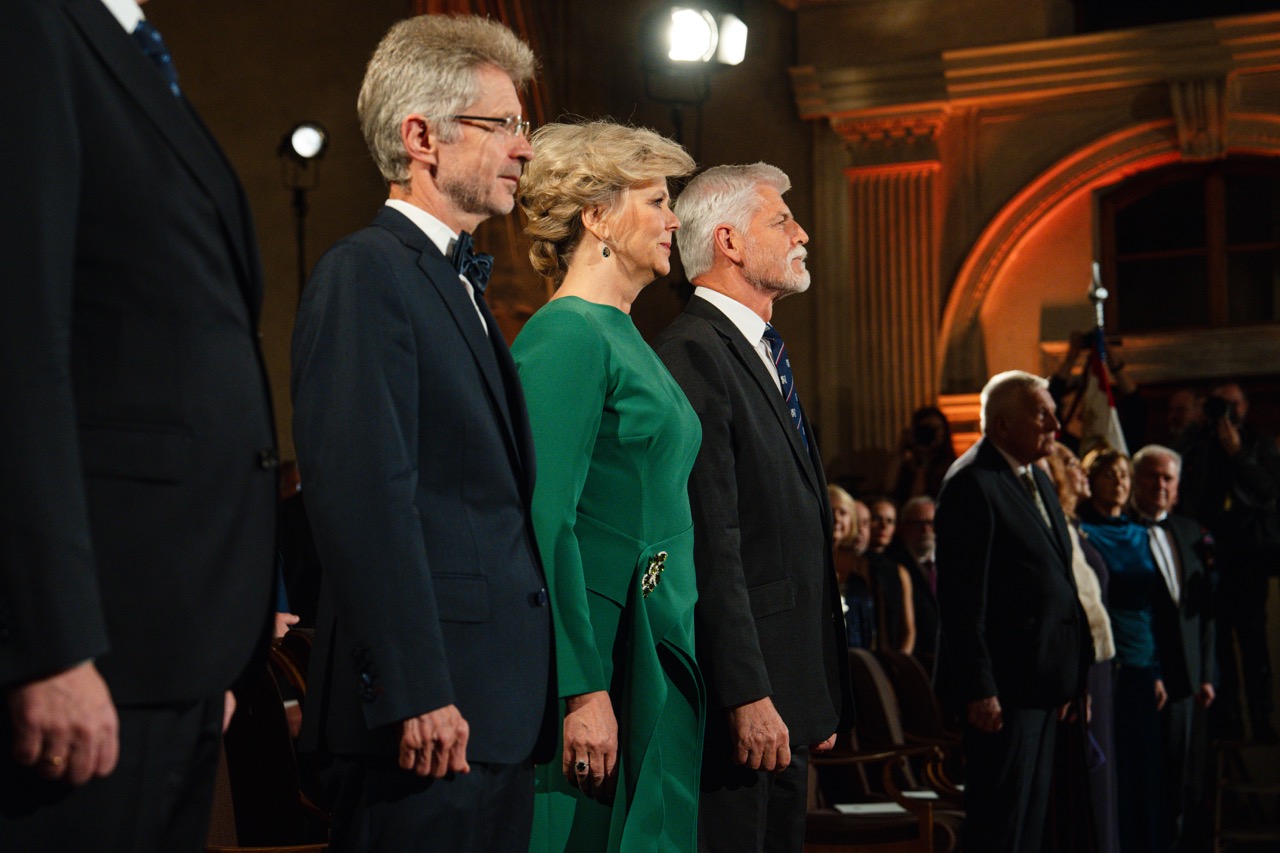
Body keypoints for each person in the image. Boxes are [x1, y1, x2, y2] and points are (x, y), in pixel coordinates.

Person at [0, 2, 277, 850]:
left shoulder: (124, 45)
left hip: (173, 649)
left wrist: (214, 659)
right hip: (93, 649)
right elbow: (18, 340)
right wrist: (47, 645)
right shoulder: (28, 25)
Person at [290, 16, 553, 852]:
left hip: (492, 710)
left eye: (526, 126)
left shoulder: (457, 284)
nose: (525, 148)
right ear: (421, 137)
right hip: (425, 713)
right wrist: (412, 686)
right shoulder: (365, 272)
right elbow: (365, 496)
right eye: (503, 124)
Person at [509, 120, 702, 852]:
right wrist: (580, 687)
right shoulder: (568, 335)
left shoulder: (623, 332)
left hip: (652, 641)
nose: (673, 219)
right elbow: (542, 518)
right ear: (597, 217)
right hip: (603, 657)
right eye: (655, 200)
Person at [654, 163, 852, 853]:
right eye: (782, 220)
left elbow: (788, 535)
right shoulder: (692, 354)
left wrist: (811, 688)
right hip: (746, 701)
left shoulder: (761, 347)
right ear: (730, 241)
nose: (802, 233)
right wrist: (748, 693)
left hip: (784, 690)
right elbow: (714, 540)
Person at [934, 370, 1090, 853]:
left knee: (1029, 824)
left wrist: (1070, 676)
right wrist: (981, 689)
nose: (1056, 427)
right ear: (1001, 424)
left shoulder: (1035, 480)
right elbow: (962, 602)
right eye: (1042, 414)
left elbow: (1058, 581)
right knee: (1000, 827)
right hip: (1002, 692)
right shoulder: (972, 483)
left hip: (1042, 684)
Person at [1078, 447, 1173, 853]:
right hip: (1106, 666)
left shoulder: (1140, 534)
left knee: (1146, 767)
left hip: (1140, 664)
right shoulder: (1083, 533)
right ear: (1092, 481)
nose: (1118, 482)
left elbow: (1150, 607)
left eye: (1123, 475)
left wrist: (1154, 669)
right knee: (1115, 766)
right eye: (1109, 475)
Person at [1180, 381, 1279, 743]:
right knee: (1218, 644)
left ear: (1245, 407)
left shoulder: (1259, 444)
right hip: (1210, 556)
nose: (1227, 412)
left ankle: (1262, 719)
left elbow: (1269, 491)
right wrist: (1201, 433)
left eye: (1232, 404)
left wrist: (1238, 454)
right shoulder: (1199, 443)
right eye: (1219, 405)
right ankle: (1230, 721)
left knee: (1253, 643)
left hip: (1249, 558)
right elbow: (1189, 494)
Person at [1129, 445, 1215, 852]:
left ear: (1177, 488)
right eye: (1152, 476)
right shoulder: (1119, 532)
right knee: (1146, 778)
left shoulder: (1192, 532)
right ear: (1135, 480)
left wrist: (1208, 674)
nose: (1160, 485)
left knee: (1186, 778)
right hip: (1144, 677)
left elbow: (1207, 615)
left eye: (1168, 478)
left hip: (1190, 682)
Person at [1043, 442, 1119, 853]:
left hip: (1097, 672)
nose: (1081, 470)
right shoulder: (1055, 527)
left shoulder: (1072, 525)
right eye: (1071, 463)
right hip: (1079, 674)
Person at [886, 496, 941, 675]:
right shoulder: (893, 566)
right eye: (918, 523)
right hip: (917, 664)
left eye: (931, 523)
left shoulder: (952, 562)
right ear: (902, 528)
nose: (925, 529)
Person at [865, 497, 917, 654]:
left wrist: (901, 661)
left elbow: (909, 629)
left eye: (890, 521)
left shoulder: (900, 571)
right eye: (877, 519)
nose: (883, 526)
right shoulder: (854, 565)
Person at [883, 406, 957, 503]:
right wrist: (900, 451)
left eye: (935, 429)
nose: (929, 434)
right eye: (925, 429)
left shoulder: (953, 468)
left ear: (944, 432)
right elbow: (887, 491)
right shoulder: (907, 465)